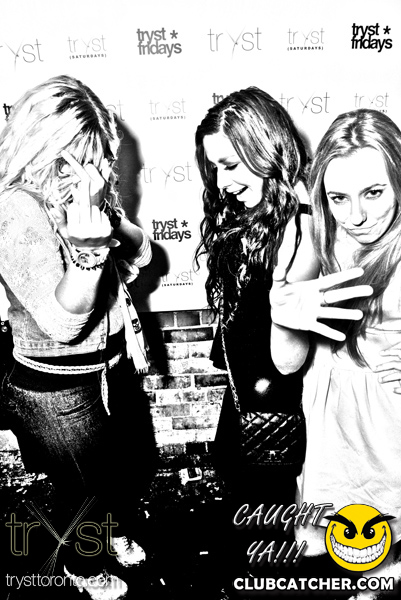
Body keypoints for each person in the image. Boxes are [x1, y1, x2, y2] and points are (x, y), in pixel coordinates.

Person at [194, 87, 370, 591]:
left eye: (231, 165)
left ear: (265, 148)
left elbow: (288, 361)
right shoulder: (251, 212)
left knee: (267, 540)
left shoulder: (300, 228)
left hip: (276, 406)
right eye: (214, 168)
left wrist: (283, 309)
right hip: (245, 396)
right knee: (255, 523)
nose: (222, 182)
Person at [0, 75, 156, 599]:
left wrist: (109, 223)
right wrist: (89, 252)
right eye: (75, 159)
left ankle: (108, 532)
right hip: (57, 384)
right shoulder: (15, 209)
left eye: (96, 158)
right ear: (41, 148)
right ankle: (83, 566)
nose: (91, 173)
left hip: (110, 367)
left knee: (121, 470)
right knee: (84, 489)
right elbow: (63, 324)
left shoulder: (80, 198)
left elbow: (141, 255)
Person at [270, 108, 401, 587]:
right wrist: (282, 318)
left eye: (374, 193)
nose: (356, 216)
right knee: (353, 547)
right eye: (338, 198)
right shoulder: (317, 237)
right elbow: (287, 363)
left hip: (392, 418)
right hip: (334, 415)